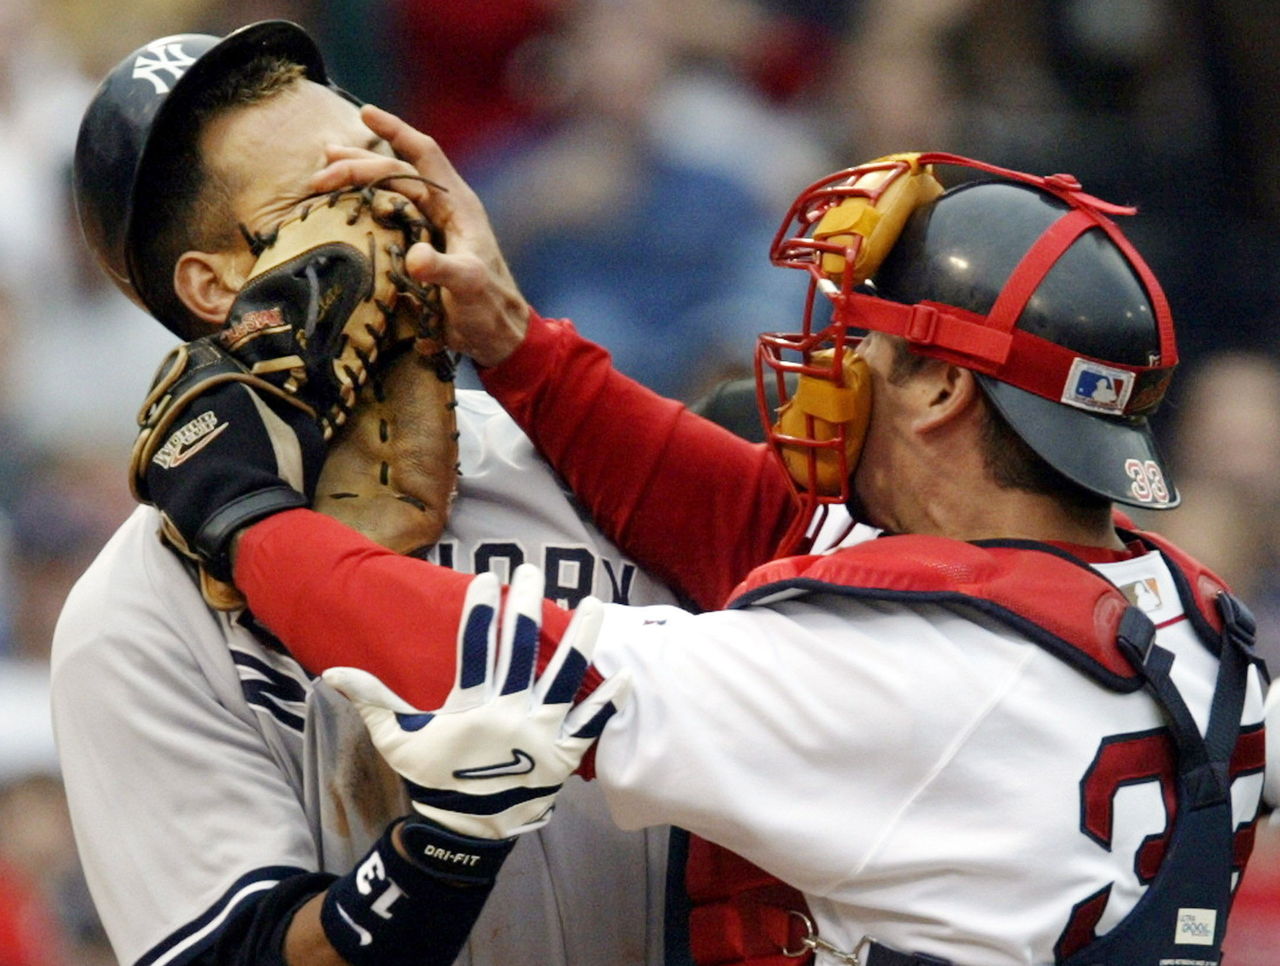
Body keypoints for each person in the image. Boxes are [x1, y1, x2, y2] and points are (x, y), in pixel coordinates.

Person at [136, 129, 1279, 965]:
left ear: (938, 388)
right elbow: (760, 527)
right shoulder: (1194, 621)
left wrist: (239, 509)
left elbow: (479, 664)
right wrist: (516, 341)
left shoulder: (896, 675)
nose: (827, 359)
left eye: (865, 338)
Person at [53, 21, 685, 966]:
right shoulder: (135, 616)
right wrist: (440, 855)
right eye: (334, 192)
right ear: (216, 286)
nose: (390, 209)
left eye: (388, 168)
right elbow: (236, 952)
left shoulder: (582, 465)